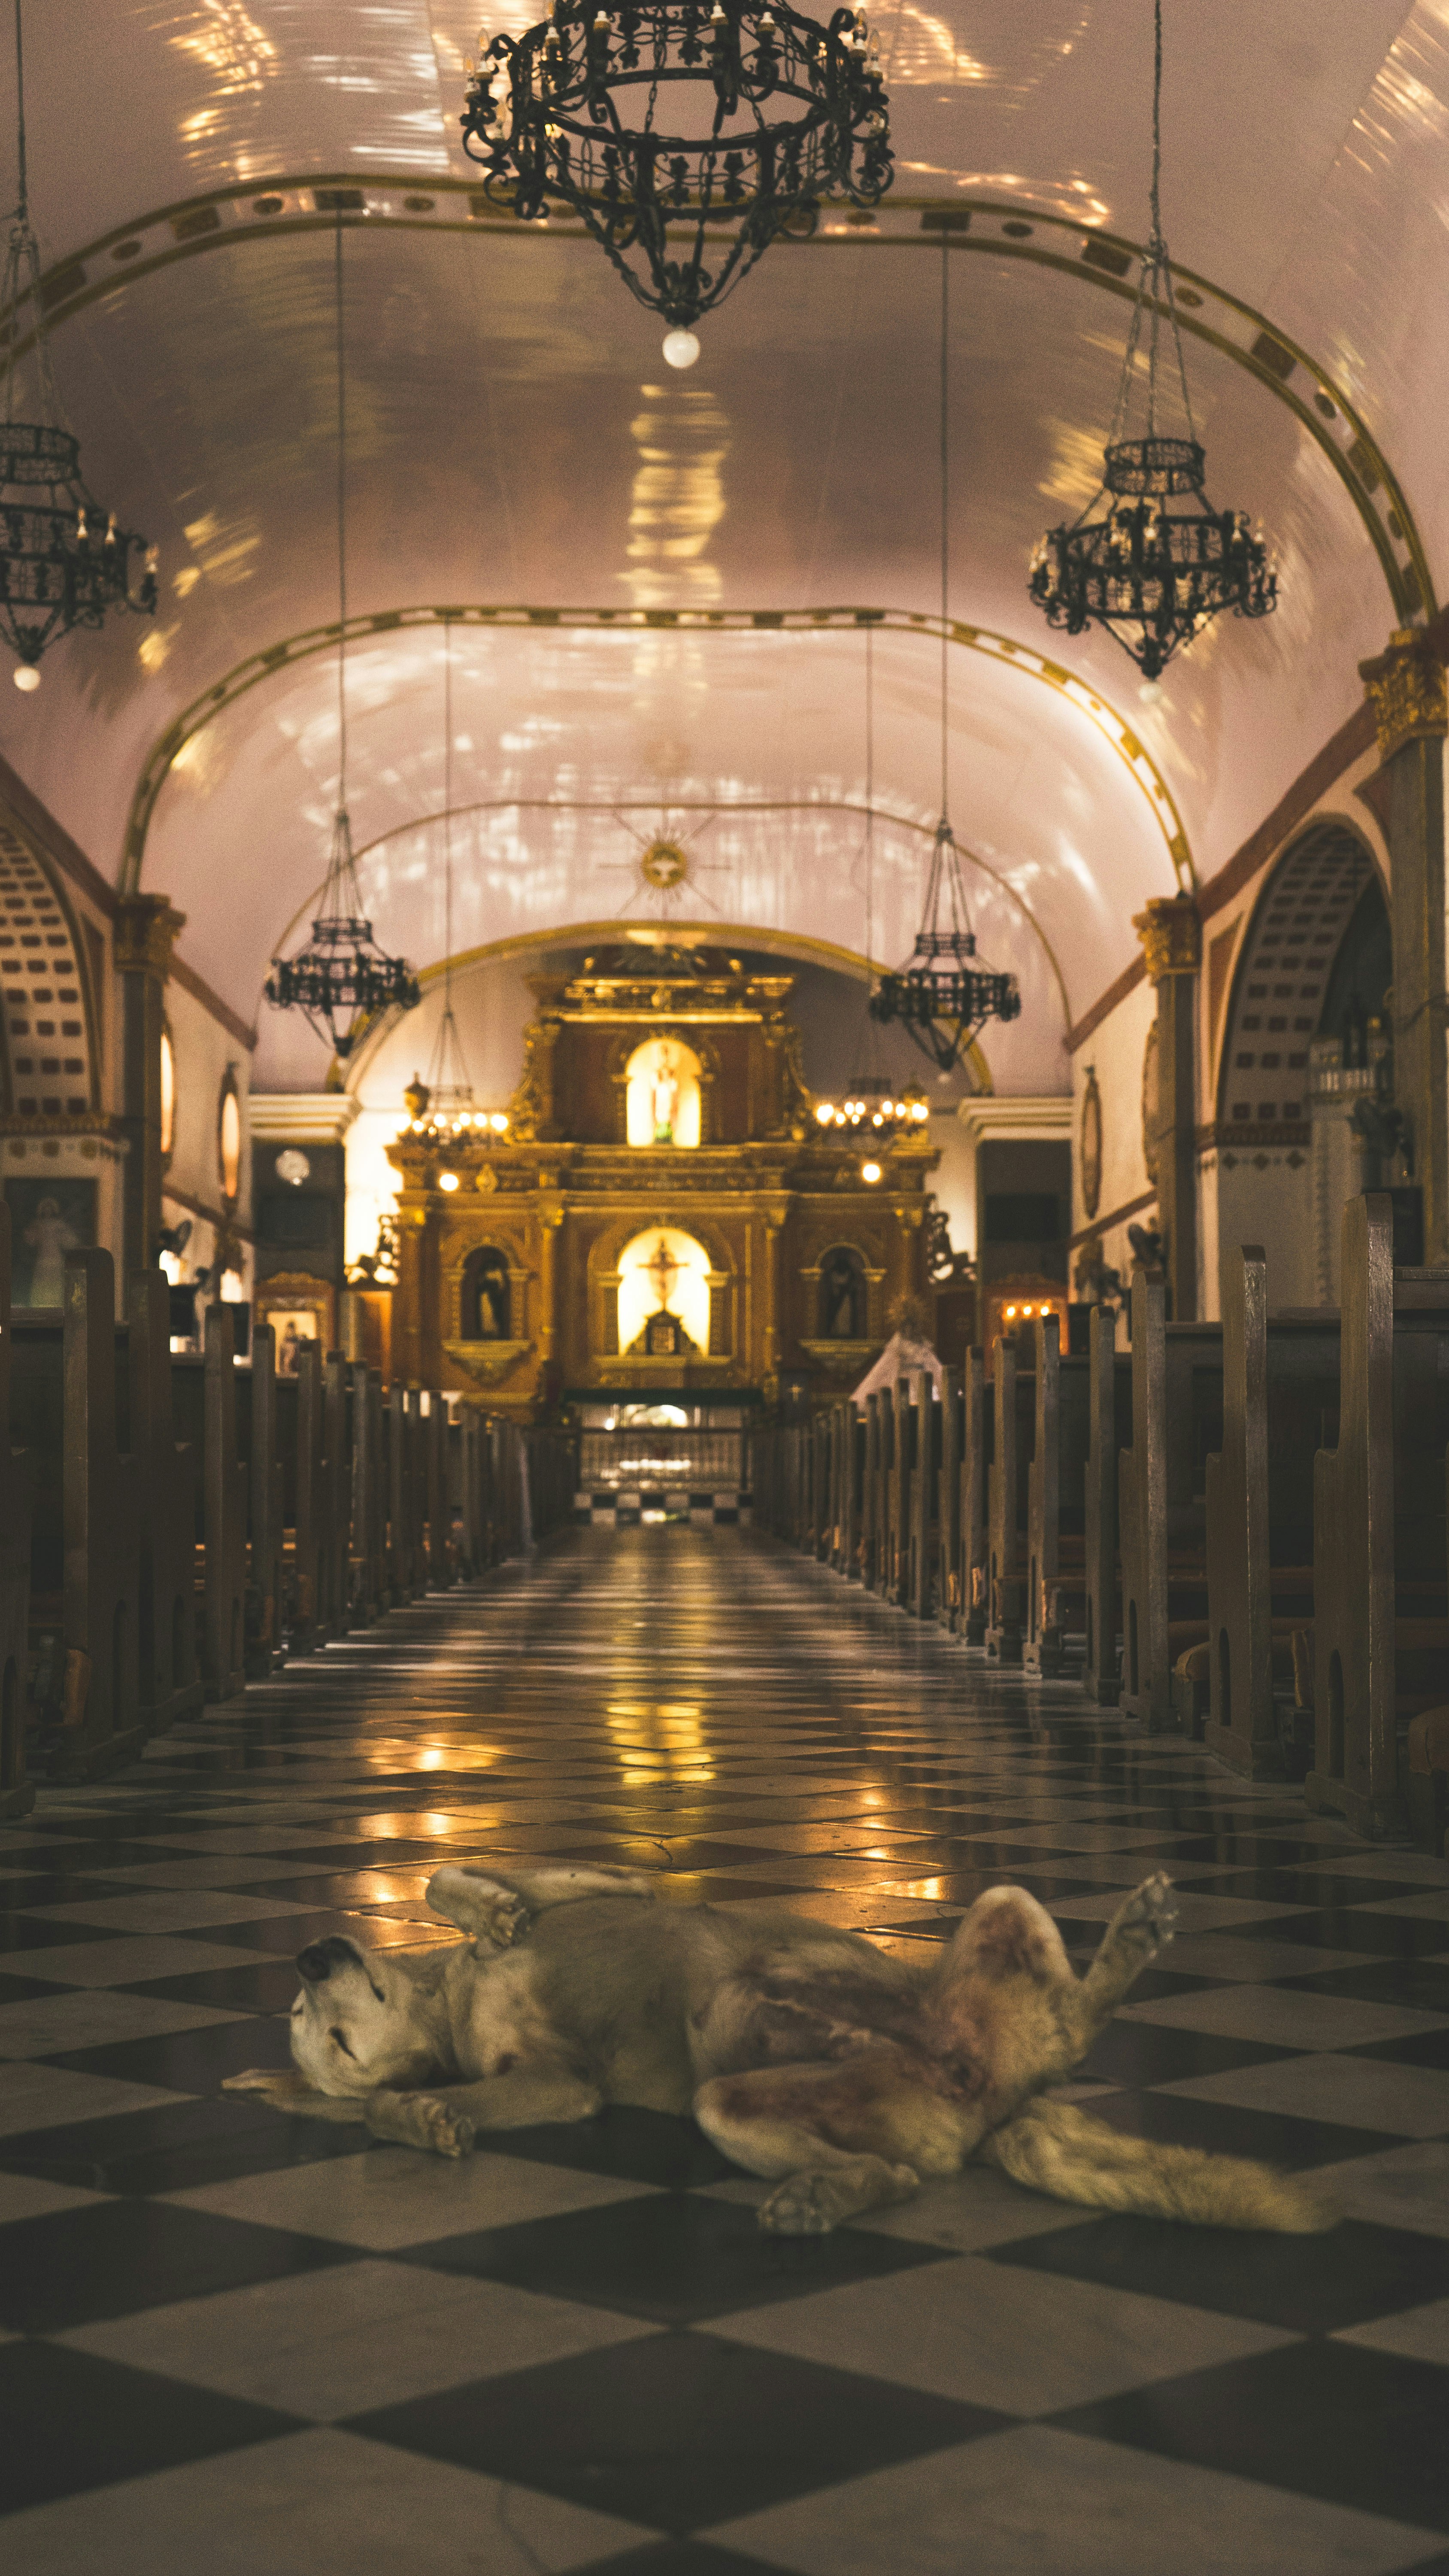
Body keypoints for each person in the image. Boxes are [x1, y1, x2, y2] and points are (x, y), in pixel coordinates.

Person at [24, 1195, 80, 1306]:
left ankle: (57, 1305)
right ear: (42, 1211)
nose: (47, 1211)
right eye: (45, 1209)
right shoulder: (38, 1224)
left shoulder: (59, 1224)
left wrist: (60, 1235)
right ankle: (40, 1306)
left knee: (56, 1282)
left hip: (56, 1257)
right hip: (43, 1257)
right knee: (42, 1282)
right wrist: (35, 1234)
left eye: (49, 1209)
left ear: (53, 1210)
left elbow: (71, 1240)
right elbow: (31, 1240)